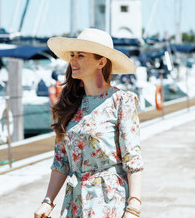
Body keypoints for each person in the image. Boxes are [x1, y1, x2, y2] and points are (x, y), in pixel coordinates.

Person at [34, 28, 144, 218]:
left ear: (101, 62)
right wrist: (48, 201)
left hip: (109, 201)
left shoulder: (121, 101)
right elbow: (61, 161)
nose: (73, 61)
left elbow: (132, 159)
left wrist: (134, 207)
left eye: (81, 55)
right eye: (73, 55)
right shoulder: (70, 104)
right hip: (75, 203)